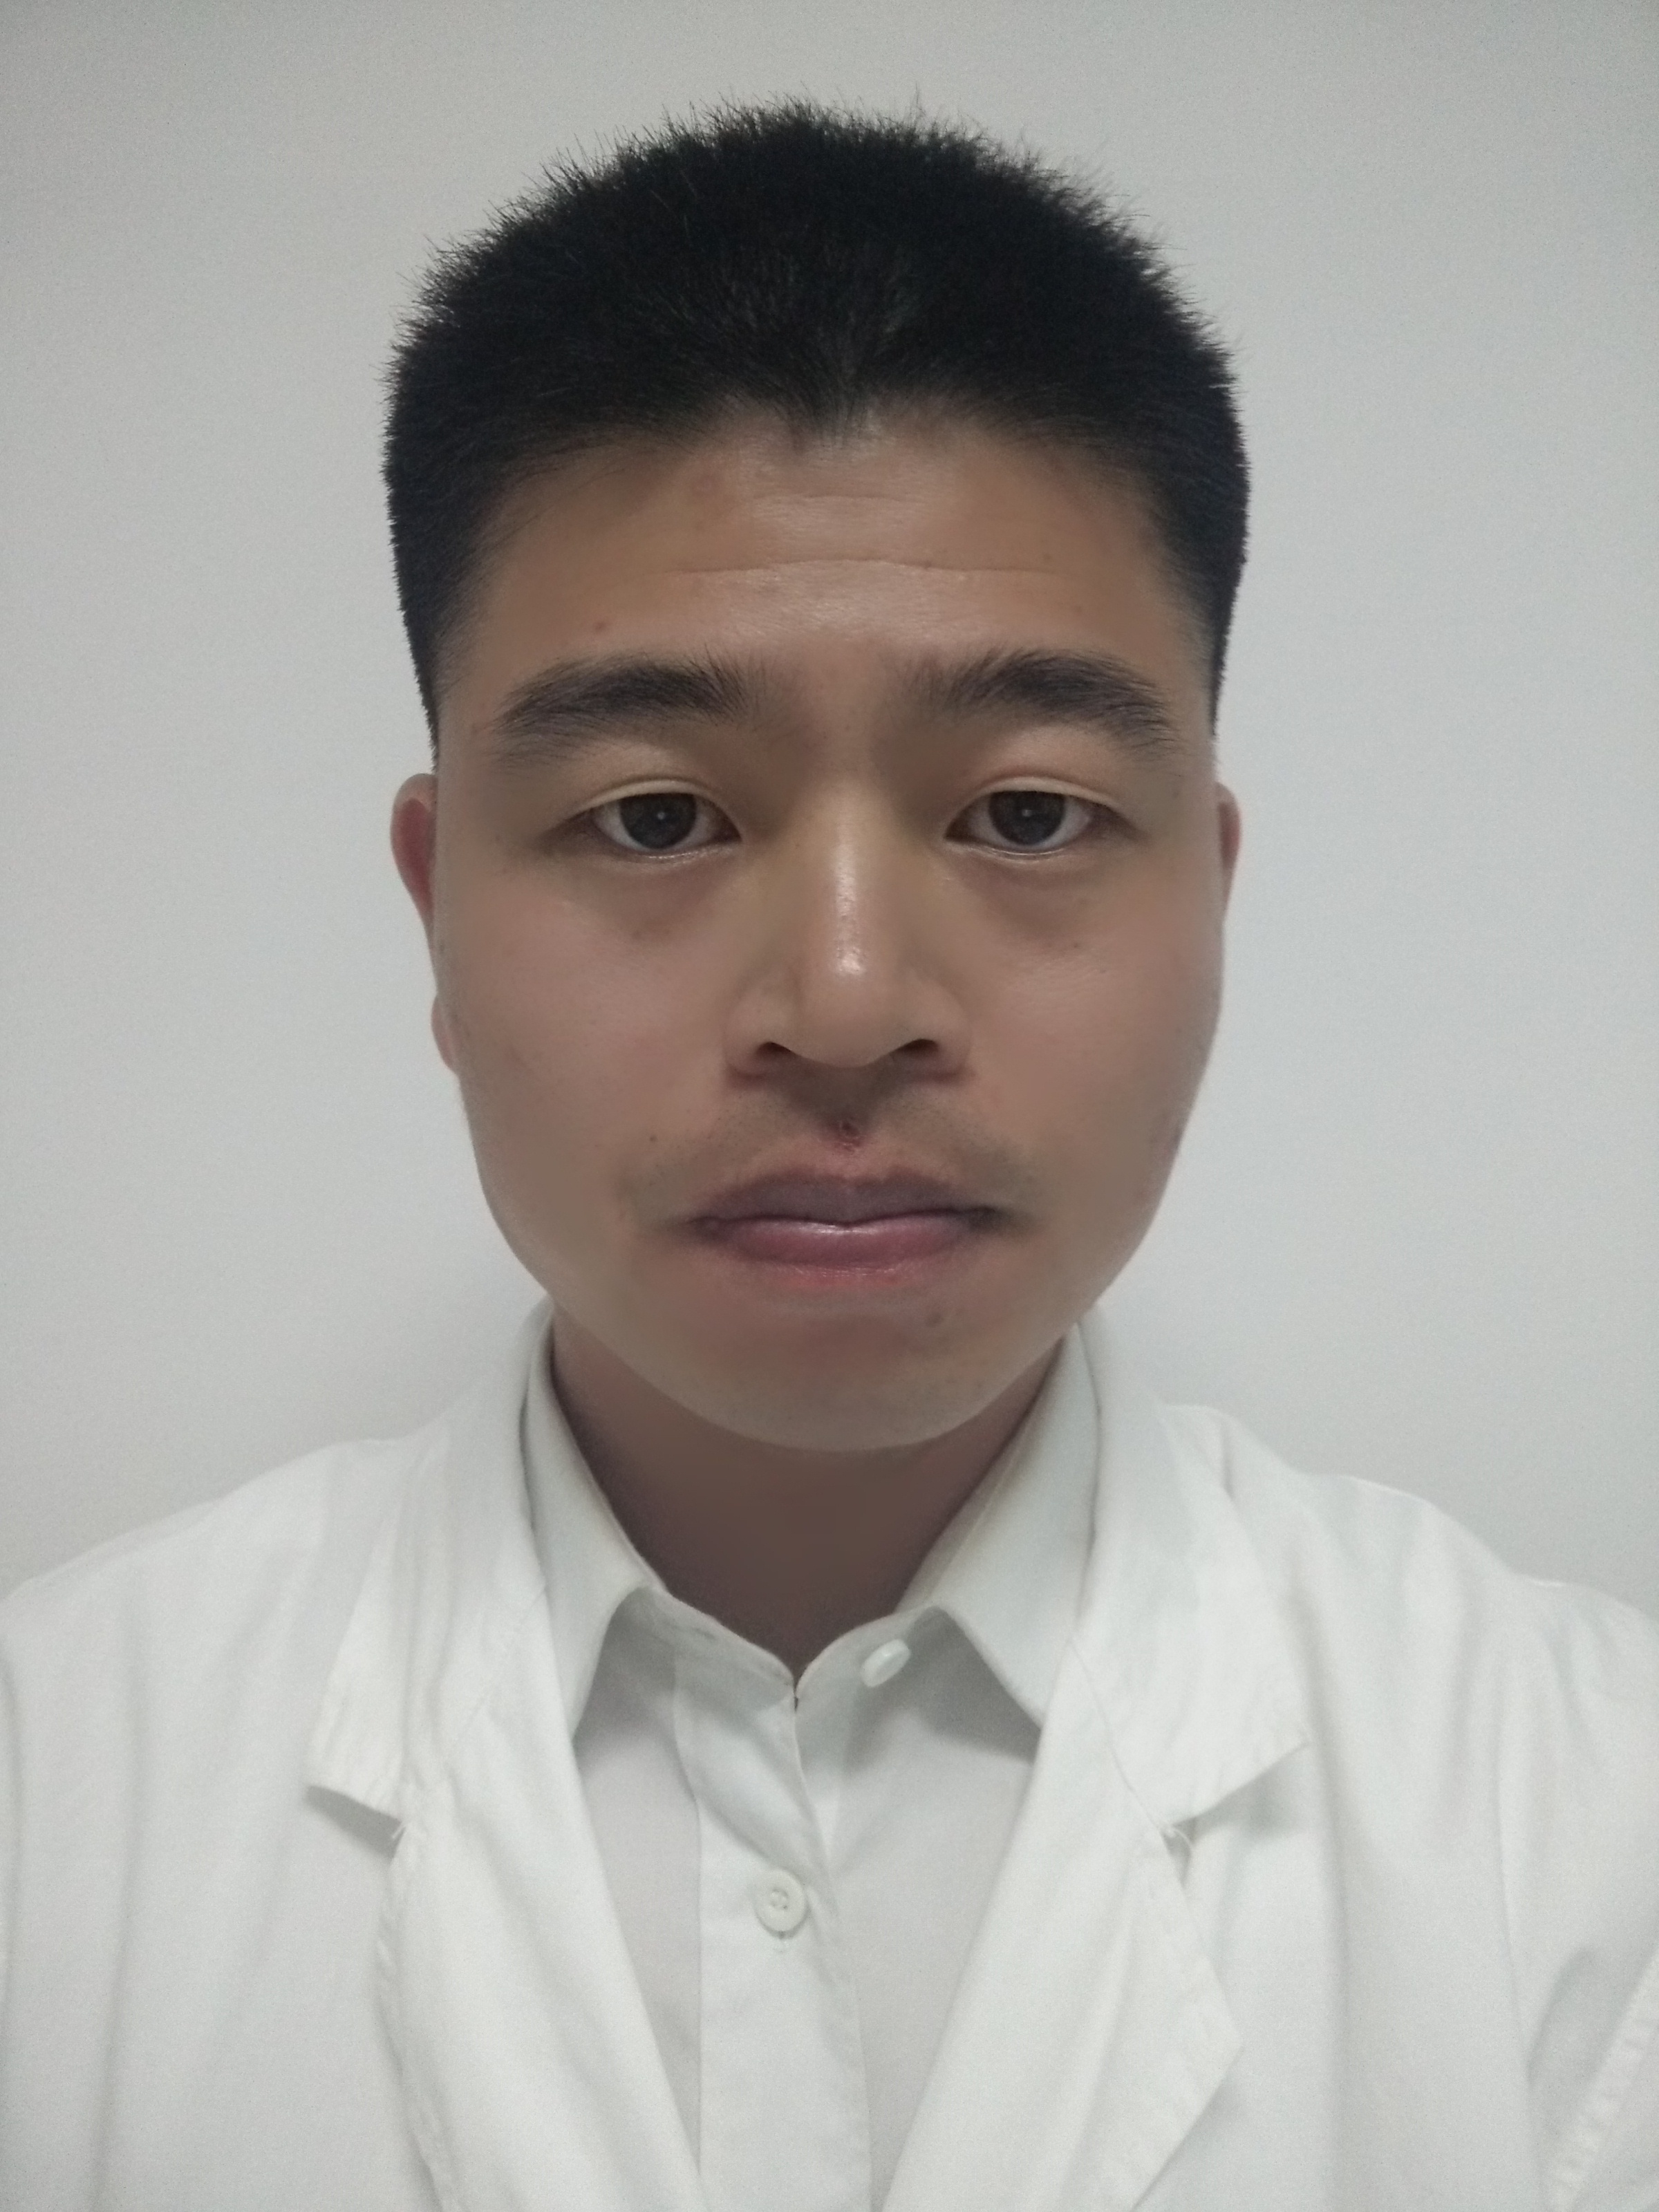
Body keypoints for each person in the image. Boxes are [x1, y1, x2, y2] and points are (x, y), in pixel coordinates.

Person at [1, 101, 1654, 2212]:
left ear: (1212, 895)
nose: (850, 1000)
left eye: (1029, 814)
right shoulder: (57, 1797)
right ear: (434, 911)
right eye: (655, 815)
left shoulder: (1581, 1826)